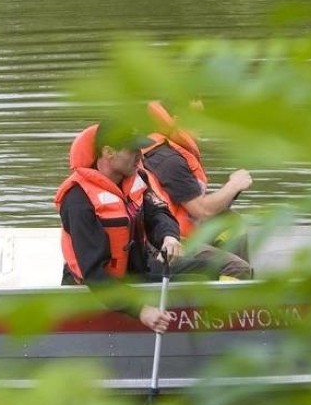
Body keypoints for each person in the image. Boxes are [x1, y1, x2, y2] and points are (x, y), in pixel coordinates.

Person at [54, 123, 182, 333]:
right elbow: (94, 275)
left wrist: (169, 236)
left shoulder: (136, 180)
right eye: (132, 150)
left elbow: (158, 213)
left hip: (136, 276)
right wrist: (141, 310)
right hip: (94, 290)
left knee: (204, 273)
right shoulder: (78, 200)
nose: (139, 156)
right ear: (108, 152)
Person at [141, 100, 254, 280]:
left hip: (183, 231)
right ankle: (230, 295)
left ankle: (228, 280)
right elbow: (202, 210)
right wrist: (233, 185)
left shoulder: (173, 152)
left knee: (230, 221)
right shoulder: (168, 159)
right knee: (237, 268)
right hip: (169, 242)